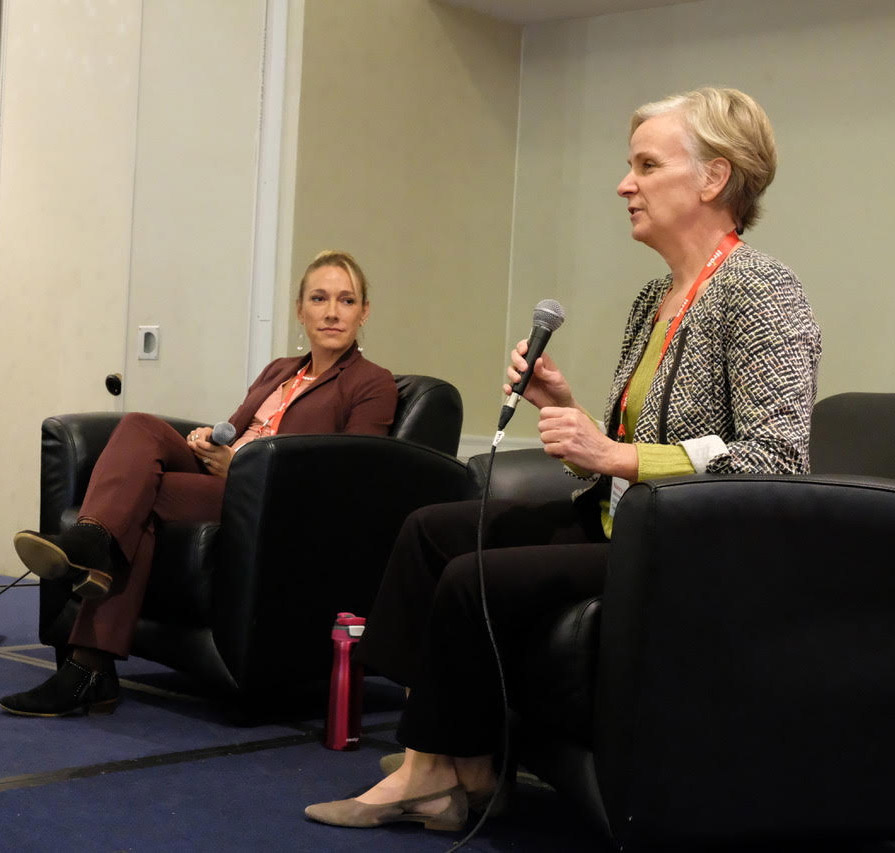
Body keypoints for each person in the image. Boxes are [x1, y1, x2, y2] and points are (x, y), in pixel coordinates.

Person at [304, 88, 821, 833]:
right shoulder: (655, 297)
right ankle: (470, 759)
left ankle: (429, 772)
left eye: (645, 164)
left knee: (470, 571)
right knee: (430, 531)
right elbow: (619, 455)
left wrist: (615, 453)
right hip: (621, 520)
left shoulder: (761, 290)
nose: (623, 183)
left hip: (684, 549)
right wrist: (564, 409)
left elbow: (776, 457)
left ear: (712, 178)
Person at [1, 250, 398, 718]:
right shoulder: (279, 371)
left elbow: (350, 474)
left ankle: (88, 661)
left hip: (266, 499)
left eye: (346, 300)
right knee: (140, 426)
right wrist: (209, 441)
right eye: (319, 298)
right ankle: (92, 543)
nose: (332, 312)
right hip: (228, 474)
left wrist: (244, 469)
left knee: (141, 501)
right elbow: (238, 427)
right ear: (300, 309)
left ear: (364, 312)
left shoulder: (372, 384)